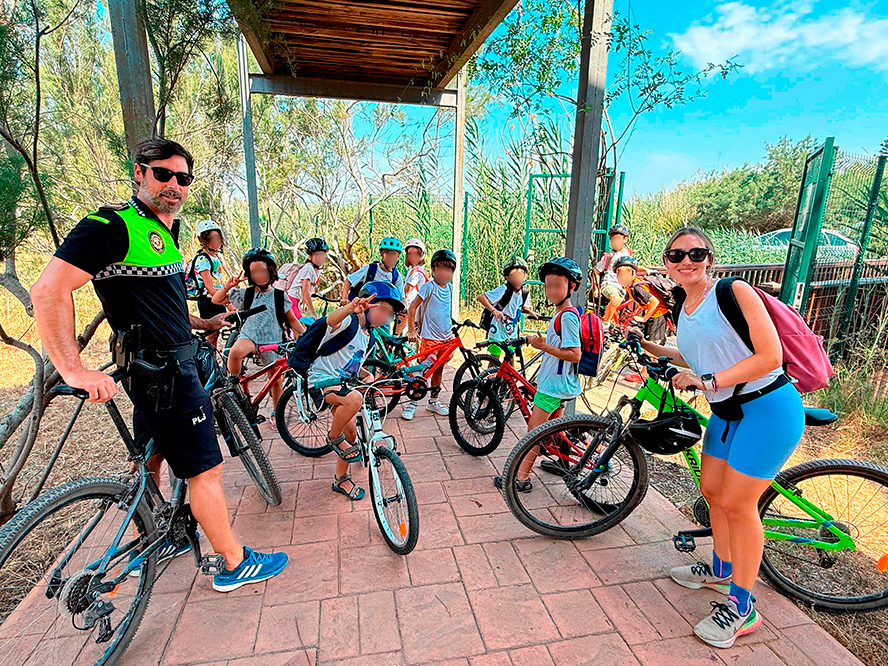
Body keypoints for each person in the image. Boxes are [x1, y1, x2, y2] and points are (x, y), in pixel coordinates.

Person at [31, 137, 288, 592]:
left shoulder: (162, 234)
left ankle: (157, 531)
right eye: (163, 173)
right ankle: (233, 564)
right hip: (165, 374)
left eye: (182, 177)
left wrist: (203, 320)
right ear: (139, 172)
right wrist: (72, 369)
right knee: (205, 470)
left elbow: (158, 305)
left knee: (153, 454)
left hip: (153, 368)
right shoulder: (112, 224)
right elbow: (48, 290)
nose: (173, 184)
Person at [630, 227, 803, 649]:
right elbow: (698, 353)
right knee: (712, 493)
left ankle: (743, 607)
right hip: (727, 411)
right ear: (666, 262)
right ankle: (722, 571)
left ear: (709, 257)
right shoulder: (683, 306)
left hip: (768, 408)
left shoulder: (734, 290)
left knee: (738, 504)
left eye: (695, 253)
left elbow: (769, 356)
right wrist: (654, 352)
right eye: (676, 255)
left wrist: (707, 381)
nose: (685, 261)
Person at [308, 281, 404, 500]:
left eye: (389, 314)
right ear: (367, 304)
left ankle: (340, 479)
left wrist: (366, 375)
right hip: (320, 381)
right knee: (354, 400)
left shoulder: (368, 336)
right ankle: (333, 437)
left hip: (342, 385)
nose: (385, 317)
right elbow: (329, 322)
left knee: (351, 432)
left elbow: (352, 363)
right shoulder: (348, 322)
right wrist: (350, 308)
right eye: (382, 310)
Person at [492, 257, 582, 491]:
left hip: (553, 387)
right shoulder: (562, 313)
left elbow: (575, 354)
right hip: (559, 384)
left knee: (533, 434)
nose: (551, 291)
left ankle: (520, 479)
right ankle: (564, 464)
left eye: (557, 285)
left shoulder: (568, 316)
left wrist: (543, 347)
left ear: (571, 286)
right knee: (553, 430)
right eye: (548, 285)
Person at [212, 248, 306, 409]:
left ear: (270, 271)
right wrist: (227, 286)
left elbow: (292, 320)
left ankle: (276, 413)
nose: (259, 275)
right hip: (250, 336)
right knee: (235, 353)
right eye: (254, 272)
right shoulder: (245, 294)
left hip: (273, 340)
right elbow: (216, 299)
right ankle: (235, 387)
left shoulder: (279, 295)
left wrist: (306, 337)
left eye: (262, 271)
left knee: (275, 381)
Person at [405, 249, 457, 419]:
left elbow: (444, 311)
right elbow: (412, 307)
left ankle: (433, 402)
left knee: (439, 370)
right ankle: (412, 403)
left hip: (446, 338)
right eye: (440, 269)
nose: (444, 273)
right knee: (423, 371)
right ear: (433, 270)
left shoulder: (449, 288)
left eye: (448, 269)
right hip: (430, 338)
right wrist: (412, 330)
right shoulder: (429, 286)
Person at [613, 255, 672, 383]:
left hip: (657, 315)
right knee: (650, 344)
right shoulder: (633, 284)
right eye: (618, 276)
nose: (621, 279)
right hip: (656, 314)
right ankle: (650, 371)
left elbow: (654, 301)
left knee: (650, 345)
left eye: (623, 275)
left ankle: (646, 374)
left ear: (632, 274)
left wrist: (644, 318)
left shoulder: (637, 287)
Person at [477, 255, 539, 357]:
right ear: (507, 278)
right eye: (513, 276)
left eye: (520, 275)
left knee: (510, 359)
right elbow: (481, 297)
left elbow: (519, 307)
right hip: (497, 329)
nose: (517, 279)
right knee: (494, 358)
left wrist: (530, 312)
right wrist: (494, 311)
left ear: (524, 277)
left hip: (512, 332)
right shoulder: (503, 289)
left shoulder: (524, 292)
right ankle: (492, 374)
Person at [187, 220, 228, 348]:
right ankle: (208, 362)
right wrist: (226, 300)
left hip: (217, 298)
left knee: (216, 333)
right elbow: (209, 287)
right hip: (209, 301)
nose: (216, 242)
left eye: (218, 238)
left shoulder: (214, 258)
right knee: (211, 334)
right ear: (203, 241)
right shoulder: (203, 259)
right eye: (212, 239)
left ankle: (213, 360)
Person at [340, 236, 406, 305]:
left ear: (398, 257)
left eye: (394, 255)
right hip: (362, 306)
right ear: (382, 255)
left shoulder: (396, 276)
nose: (391, 258)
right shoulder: (371, 269)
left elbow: (401, 296)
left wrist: (404, 308)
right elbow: (349, 280)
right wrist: (345, 298)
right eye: (388, 254)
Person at [593, 224, 636, 325]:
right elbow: (596, 272)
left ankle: (623, 325)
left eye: (617, 240)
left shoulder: (628, 254)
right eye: (613, 240)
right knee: (615, 299)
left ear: (625, 239)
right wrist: (596, 287)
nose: (615, 243)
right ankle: (605, 323)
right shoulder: (608, 256)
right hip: (609, 284)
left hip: (623, 285)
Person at [287, 237, 329, 323]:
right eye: (317, 255)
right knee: (301, 331)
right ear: (309, 256)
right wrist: (313, 313)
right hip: (292, 303)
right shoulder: (308, 269)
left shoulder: (315, 270)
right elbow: (305, 292)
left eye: (322, 254)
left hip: (296, 303)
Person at [396, 238, 429, 334]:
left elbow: (406, 290)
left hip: (412, 310)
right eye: (410, 254)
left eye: (416, 254)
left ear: (421, 255)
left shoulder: (417, 272)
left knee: (400, 335)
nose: (412, 257)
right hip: (411, 309)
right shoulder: (414, 269)